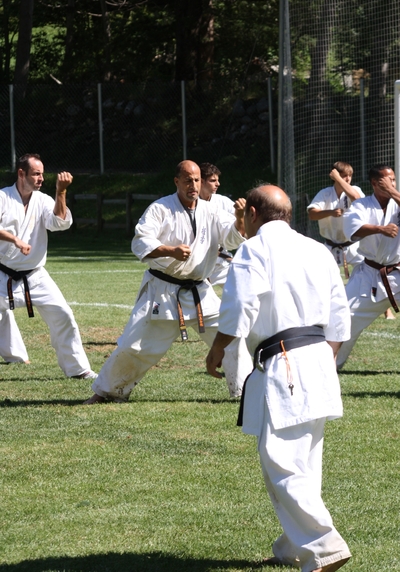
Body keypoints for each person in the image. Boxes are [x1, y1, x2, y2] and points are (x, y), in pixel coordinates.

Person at [206, 184, 351, 572]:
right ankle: (292, 546)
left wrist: (218, 346)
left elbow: (240, 305)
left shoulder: (254, 248)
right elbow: (340, 314)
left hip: (284, 359)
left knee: (282, 462)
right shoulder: (317, 250)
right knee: (303, 462)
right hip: (319, 356)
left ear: (252, 213)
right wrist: (322, 359)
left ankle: (324, 545)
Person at [84, 159, 253, 404]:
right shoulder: (160, 209)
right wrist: (169, 250)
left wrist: (239, 219)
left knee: (232, 337)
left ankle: (246, 391)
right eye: (187, 180)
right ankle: (107, 392)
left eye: (196, 180)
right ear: (177, 181)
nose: (193, 185)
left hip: (200, 291)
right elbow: (140, 241)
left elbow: (231, 238)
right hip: (163, 291)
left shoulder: (212, 210)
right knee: (135, 346)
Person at [0, 153, 97, 379]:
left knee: (63, 315)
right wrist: (14, 239)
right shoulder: (3, 198)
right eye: (36, 174)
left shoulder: (42, 200)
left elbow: (60, 223)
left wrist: (61, 191)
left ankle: (78, 370)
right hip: (2, 273)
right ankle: (14, 355)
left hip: (35, 276)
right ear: (21, 174)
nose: (41, 178)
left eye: (43, 174)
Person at [308, 161, 394, 320]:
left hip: (353, 246)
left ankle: (386, 310)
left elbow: (355, 198)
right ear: (334, 176)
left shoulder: (356, 190)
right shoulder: (325, 193)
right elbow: (312, 214)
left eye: (350, 176)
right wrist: (330, 212)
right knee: (320, 277)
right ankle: (319, 310)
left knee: (373, 271)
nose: (348, 179)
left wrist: (339, 180)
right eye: (343, 176)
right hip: (330, 245)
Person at [337, 164, 400, 368]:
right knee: (343, 319)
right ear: (375, 183)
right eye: (387, 181)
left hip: (398, 270)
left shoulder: (397, 201)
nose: (392, 183)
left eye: (394, 180)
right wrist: (380, 229)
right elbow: (352, 230)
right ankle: (331, 364)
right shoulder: (361, 205)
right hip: (370, 274)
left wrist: (391, 191)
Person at [199, 162, 236, 286]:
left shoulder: (222, 202)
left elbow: (242, 223)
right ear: (201, 181)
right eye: (213, 180)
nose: (218, 184)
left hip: (221, 260)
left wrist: (242, 215)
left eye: (217, 180)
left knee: (241, 286)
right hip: (197, 261)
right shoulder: (190, 203)